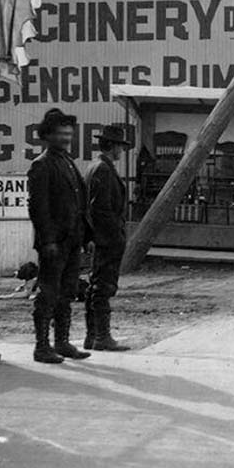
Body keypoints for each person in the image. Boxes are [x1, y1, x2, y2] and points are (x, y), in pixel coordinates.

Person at [27, 108, 91, 363]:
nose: (66, 137)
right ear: (48, 136)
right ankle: (42, 346)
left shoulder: (67, 161)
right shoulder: (41, 165)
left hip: (72, 240)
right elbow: (38, 208)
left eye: (68, 133)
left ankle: (62, 342)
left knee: (68, 291)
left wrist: (85, 236)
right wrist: (49, 240)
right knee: (48, 293)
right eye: (60, 133)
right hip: (54, 244)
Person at [84, 123, 135, 352]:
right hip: (107, 239)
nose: (122, 152)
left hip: (100, 238)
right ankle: (101, 337)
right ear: (113, 146)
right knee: (103, 286)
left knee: (96, 285)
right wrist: (115, 235)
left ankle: (92, 335)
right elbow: (101, 209)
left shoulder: (95, 167)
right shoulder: (103, 170)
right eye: (120, 147)